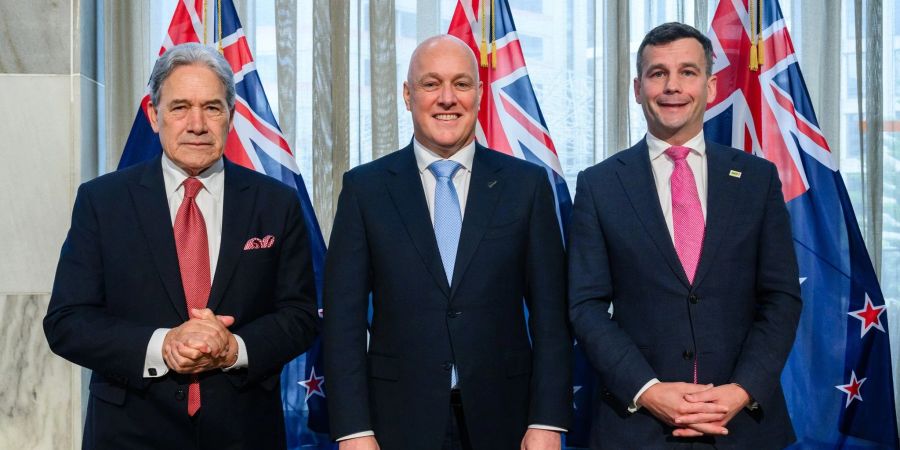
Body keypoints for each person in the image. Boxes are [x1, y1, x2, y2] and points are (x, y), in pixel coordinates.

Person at [43, 42, 319, 450]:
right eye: (179, 107)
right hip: (128, 433)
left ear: (232, 115)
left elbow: (300, 316)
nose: (197, 124)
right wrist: (161, 345)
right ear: (154, 115)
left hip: (244, 432)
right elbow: (66, 322)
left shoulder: (275, 203)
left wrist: (233, 349)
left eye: (211, 107)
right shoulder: (102, 202)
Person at [323, 35, 571, 450]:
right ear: (407, 95)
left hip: (506, 419)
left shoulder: (525, 186)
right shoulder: (364, 189)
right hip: (396, 422)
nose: (446, 98)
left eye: (460, 83)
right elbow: (342, 322)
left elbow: (551, 316)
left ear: (478, 93)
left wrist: (548, 420)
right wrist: (354, 430)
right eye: (430, 83)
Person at [568, 22, 802, 449]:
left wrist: (741, 390)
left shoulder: (757, 179)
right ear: (637, 88)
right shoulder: (599, 185)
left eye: (687, 72)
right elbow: (585, 305)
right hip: (637, 426)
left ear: (711, 86)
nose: (672, 86)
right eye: (658, 73)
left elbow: (781, 296)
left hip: (742, 426)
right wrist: (647, 390)